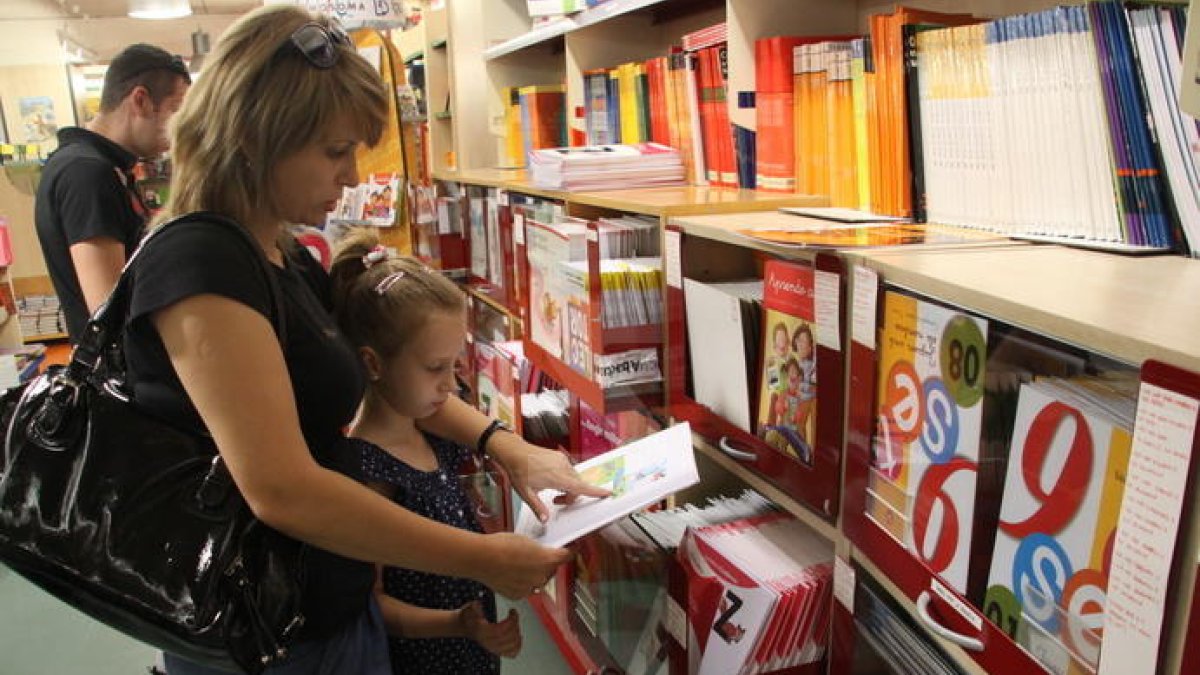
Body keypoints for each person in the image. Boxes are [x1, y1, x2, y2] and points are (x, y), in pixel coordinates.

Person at [126, 6, 606, 673]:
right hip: (263, 636)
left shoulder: (278, 253)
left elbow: (400, 377)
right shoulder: (201, 264)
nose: (352, 174)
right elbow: (281, 489)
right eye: (334, 150)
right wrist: (481, 558)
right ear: (258, 134)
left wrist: (508, 447)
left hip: (325, 610)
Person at [329, 233, 520, 674]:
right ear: (374, 364)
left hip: (471, 651)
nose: (451, 386)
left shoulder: (434, 436)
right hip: (426, 660)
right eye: (435, 368)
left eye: (455, 365)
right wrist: (458, 625)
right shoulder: (369, 471)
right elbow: (373, 605)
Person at [35, 43, 190, 341]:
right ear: (141, 100)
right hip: (118, 374)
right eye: (175, 110)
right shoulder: (86, 173)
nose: (179, 128)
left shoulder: (98, 166)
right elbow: (108, 308)